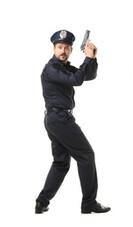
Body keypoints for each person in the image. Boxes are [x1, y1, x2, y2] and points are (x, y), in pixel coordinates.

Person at [35, 30, 110, 214]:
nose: (63, 51)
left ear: (71, 50)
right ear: (54, 48)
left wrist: (91, 58)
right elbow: (77, 80)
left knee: (61, 162)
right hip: (59, 119)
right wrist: (86, 59)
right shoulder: (52, 68)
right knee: (87, 156)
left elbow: (88, 76)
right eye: (60, 47)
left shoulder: (65, 67)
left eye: (67, 48)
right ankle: (89, 203)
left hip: (57, 119)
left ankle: (41, 202)